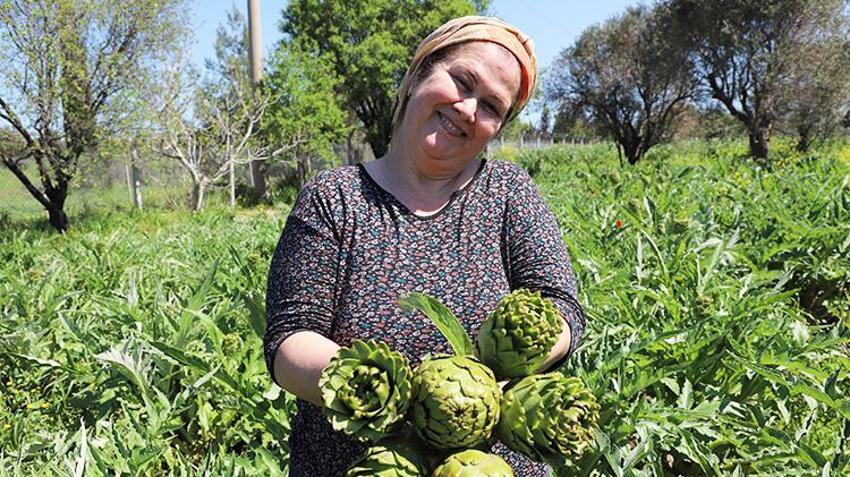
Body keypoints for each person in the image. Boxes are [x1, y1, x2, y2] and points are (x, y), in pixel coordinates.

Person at [264, 15, 586, 476]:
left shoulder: (508, 192)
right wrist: (397, 396)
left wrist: (485, 386)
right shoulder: (333, 199)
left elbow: (563, 308)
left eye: (491, 107)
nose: (468, 109)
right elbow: (289, 341)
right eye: (462, 81)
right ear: (417, 74)